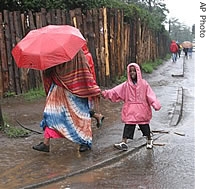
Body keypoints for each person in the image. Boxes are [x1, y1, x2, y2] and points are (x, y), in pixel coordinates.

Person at [32, 49, 101, 153]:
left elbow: (84, 71)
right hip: (58, 88)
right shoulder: (54, 51)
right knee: (50, 114)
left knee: (79, 117)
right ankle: (46, 143)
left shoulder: (78, 53)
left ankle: (85, 142)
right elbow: (49, 71)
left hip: (76, 90)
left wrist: (90, 87)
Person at [101, 63, 161, 150]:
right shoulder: (126, 85)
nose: (132, 73)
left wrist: (155, 104)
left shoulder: (144, 84)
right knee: (128, 125)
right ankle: (124, 142)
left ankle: (149, 140)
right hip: (131, 110)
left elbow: (150, 95)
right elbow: (115, 91)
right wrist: (105, 93)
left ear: (138, 72)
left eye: (134, 71)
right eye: (130, 71)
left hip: (141, 110)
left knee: (144, 126)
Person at [82, 44, 104, 128]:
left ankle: (87, 127)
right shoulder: (87, 55)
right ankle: (97, 117)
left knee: (82, 108)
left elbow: (86, 72)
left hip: (85, 85)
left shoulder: (84, 57)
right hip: (89, 84)